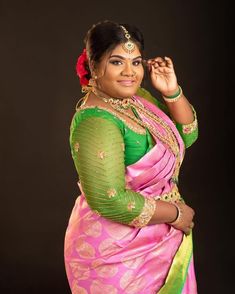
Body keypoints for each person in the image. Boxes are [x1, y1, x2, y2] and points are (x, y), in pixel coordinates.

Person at [64, 20, 198, 294]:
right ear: (94, 67)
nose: (130, 72)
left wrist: (171, 91)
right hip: (118, 257)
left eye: (136, 62)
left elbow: (186, 135)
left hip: (161, 240)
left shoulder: (138, 99)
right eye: (116, 62)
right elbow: (109, 200)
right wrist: (176, 214)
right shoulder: (95, 121)